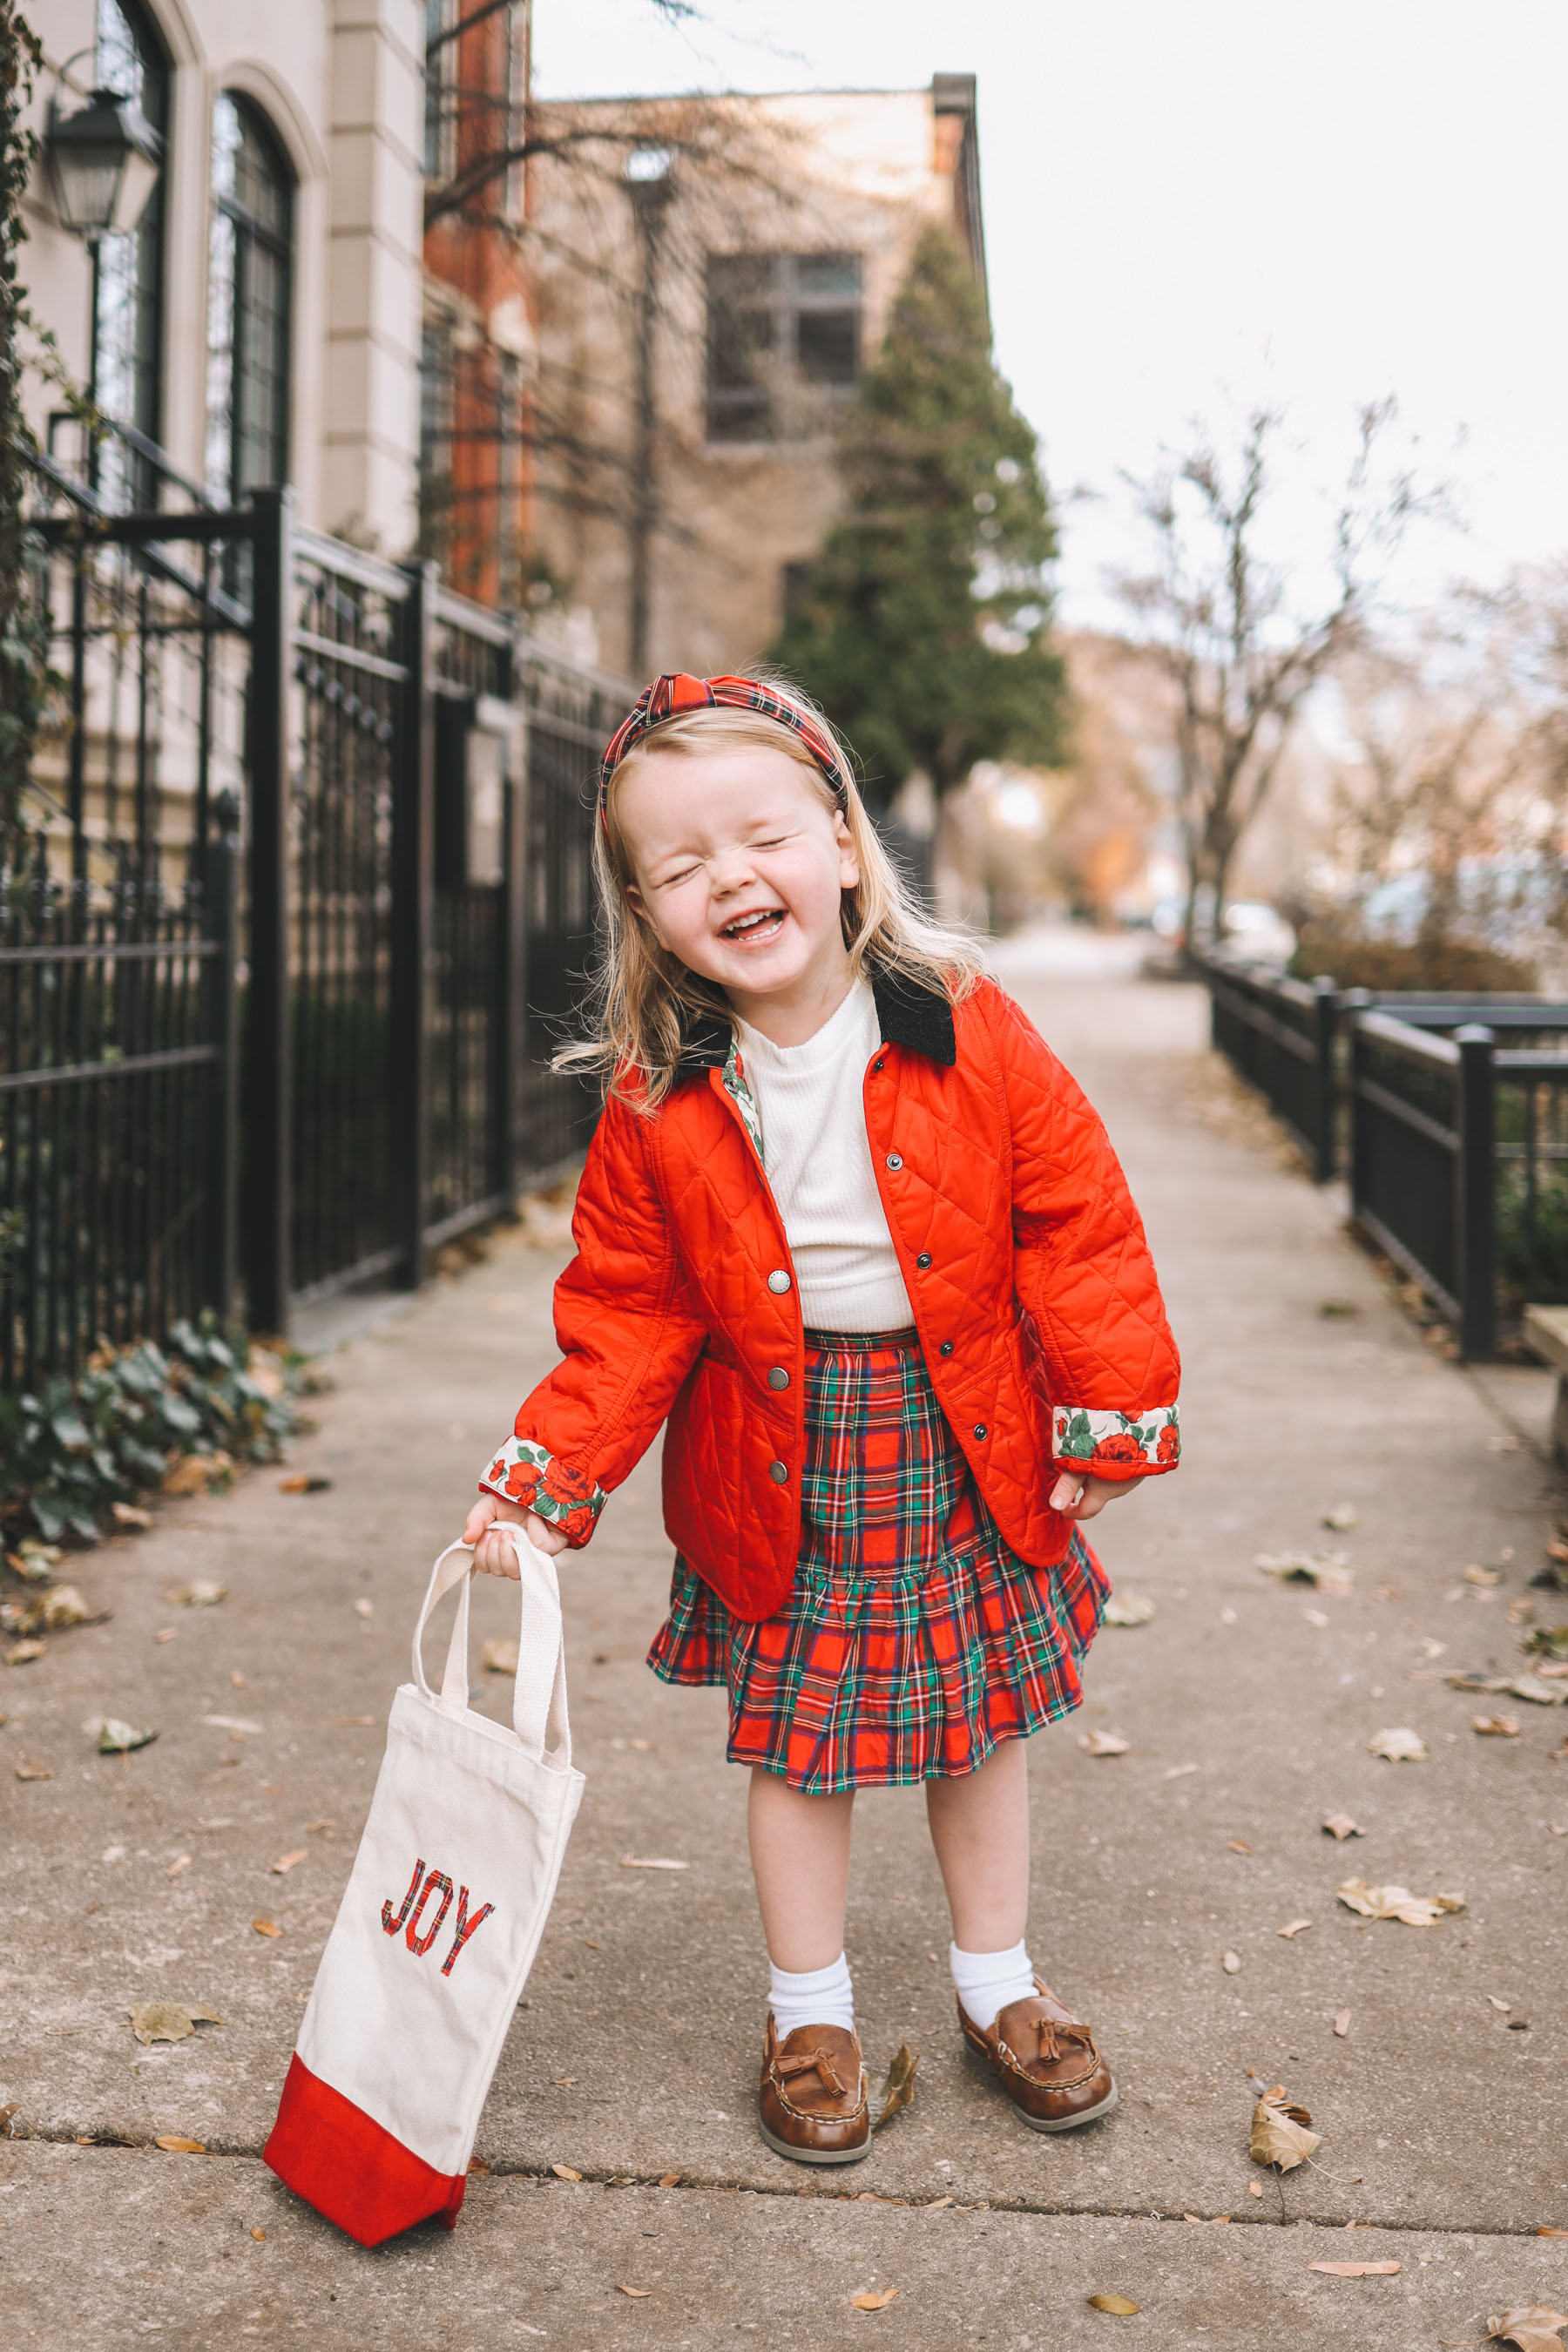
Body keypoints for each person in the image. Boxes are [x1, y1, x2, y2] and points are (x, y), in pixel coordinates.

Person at [463, 672, 1180, 2166]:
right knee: (801, 1748)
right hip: (780, 1456)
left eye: (762, 834)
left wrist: (1108, 1403)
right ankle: (810, 2013)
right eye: (680, 863)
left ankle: (1000, 1985)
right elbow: (627, 1310)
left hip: (961, 1425)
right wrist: (544, 1481)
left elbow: (1078, 1221)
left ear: (844, 841)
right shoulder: (661, 1098)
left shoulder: (967, 1028)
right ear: (648, 915)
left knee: (980, 1727)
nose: (731, 874)